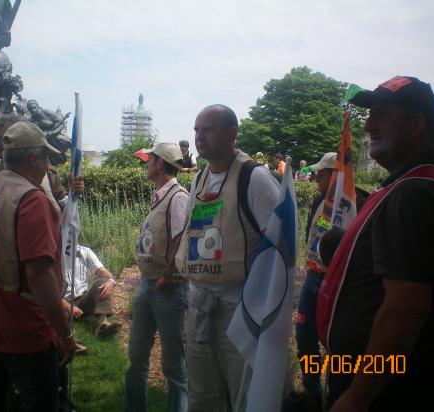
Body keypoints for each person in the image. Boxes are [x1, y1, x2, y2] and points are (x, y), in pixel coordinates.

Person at [316, 76, 434, 412]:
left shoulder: (415, 193)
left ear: (416, 123)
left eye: (382, 115)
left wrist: (357, 396)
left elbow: (406, 309)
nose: (369, 127)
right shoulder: (431, 183)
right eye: (369, 117)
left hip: (391, 390)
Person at [174, 105, 281, 411]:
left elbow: (279, 247)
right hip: (200, 306)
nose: (199, 136)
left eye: (207, 129)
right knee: (203, 395)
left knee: (244, 396)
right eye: (196, 129)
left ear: (232, 134)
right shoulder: (199, 179)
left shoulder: (255, 178)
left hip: (241, 311)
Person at [0, 121, 77, 411]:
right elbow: (39, 276)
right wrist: (64, 334)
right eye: (46, 158)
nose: (46, 165)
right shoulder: (32, 200)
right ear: (33, 159)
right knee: (38, 401)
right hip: (25, 327)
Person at [124, 142, 189, 412]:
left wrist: (168, 275)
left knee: (174, 365)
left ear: (160, 163)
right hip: (149, 285)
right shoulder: (161, 195)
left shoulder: (178, 196)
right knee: (136, 357)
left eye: (149, 159)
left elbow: (181, 239)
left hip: (167, 288)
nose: (146, 164)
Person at [294, 152, 337, 408]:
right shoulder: (319, 199)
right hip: (312, 277)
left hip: (338, 283)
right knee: (305, 337)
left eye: (322, 173)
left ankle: (337, 395)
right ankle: (312, 391)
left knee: (337, 342)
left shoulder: (357, 201)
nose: (317, 177)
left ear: (336, 175)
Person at [62, 244, 120, 339]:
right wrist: (68, 306)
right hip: (62, 302)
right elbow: (48, 288)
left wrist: (111, 281)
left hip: (82, 300)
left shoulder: (85, 252)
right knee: (56, 309)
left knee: (104, 282)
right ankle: (69, 338)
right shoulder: (54, 252)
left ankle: (101, 324)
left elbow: (102, 271)